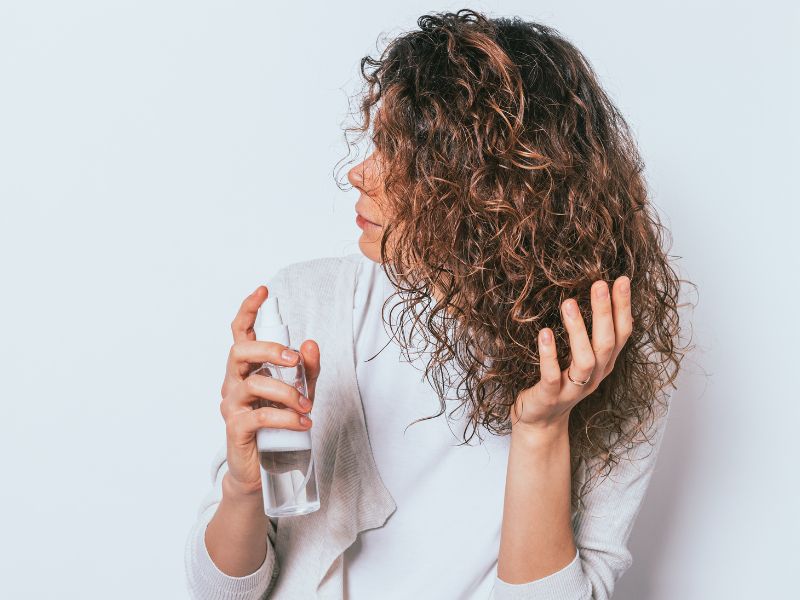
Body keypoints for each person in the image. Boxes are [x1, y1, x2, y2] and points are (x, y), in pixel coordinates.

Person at [184, 9, 689, 599]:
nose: (358, 174)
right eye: (375, 144)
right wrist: (244, 487)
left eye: (401, 156)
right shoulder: (305, 304)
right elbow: (218, 593)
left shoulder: (605, 362)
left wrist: (541, 432)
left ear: (490, 186)